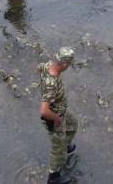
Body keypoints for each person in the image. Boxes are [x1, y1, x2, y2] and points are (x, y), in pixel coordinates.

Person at [40, 47, 78, 184]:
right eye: (69, 64)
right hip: (54, 117)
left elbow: (38, 68)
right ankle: (53, 177)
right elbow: (44, 111)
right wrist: (56, 118)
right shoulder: (52, 84)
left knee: (73, 124)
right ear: (64, 64)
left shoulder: (48, 65)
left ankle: (66, 145)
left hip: (61, 111)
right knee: (57, 149)